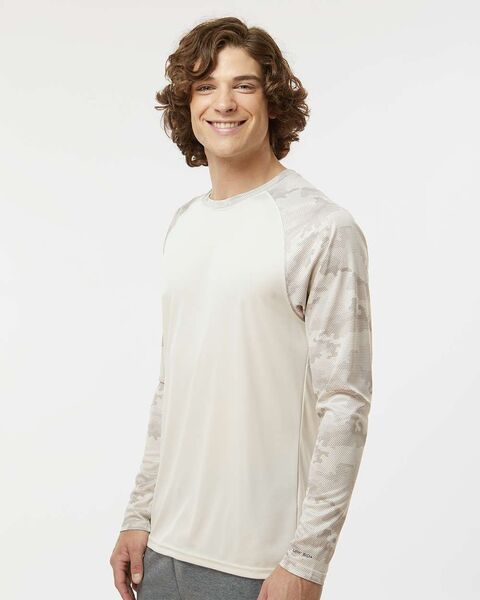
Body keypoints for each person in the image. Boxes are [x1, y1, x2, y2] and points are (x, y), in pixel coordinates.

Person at [109, 15, 373, 600]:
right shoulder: (184, 224)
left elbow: (345, 404)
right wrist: (139, 515)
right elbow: (172, 386)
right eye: (206, 86)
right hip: (161, 553)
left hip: (258, 566)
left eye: (243, 85)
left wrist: (306, 562)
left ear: (272, 100)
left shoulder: (321, 227)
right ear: (187, 104)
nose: (223, 103)